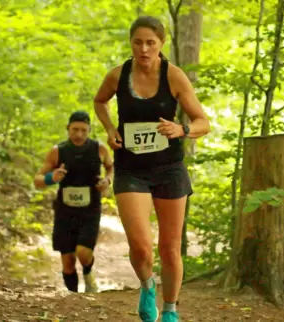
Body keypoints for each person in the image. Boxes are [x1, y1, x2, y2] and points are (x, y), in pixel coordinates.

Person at [93, 15, 210, 322]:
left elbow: (203, 122)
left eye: (150, 43)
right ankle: (147, 286)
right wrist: (109, 129)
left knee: (170, 249)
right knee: (142, 247)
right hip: (131, 169)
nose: (144, 49)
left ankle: (170, 309)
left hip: (169, 169)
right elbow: (100, 102)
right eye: (138, 42)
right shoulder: (118, 75)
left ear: (161, 44)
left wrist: (181, 129)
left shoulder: (174, 76)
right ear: (131, 43)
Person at [34, 111, 114, 293]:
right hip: (65, 211)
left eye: (83, 131)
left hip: (90, 208)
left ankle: (88, 273)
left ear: (89, 131)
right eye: (75, 130)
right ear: (68, 129)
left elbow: (110, 167)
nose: (79, 135)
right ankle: (74, 299)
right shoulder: (57, 151)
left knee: (83, 253)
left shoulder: (99, 149)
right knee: (68, 262)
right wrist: (51, 178)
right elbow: (37, 180)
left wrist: (107, 181)